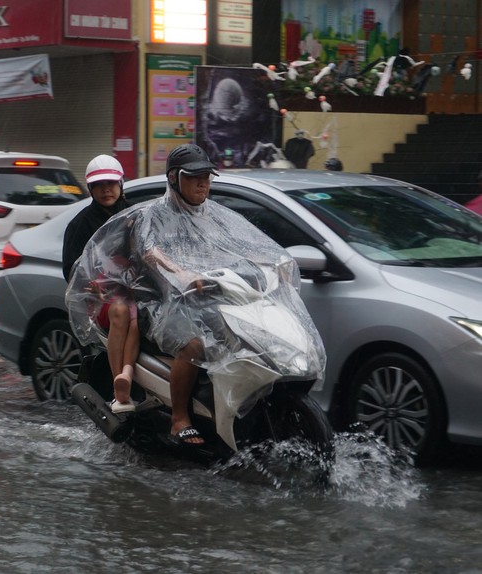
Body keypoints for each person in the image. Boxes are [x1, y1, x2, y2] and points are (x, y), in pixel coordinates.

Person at [66, 143, 324, 447]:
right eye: (195, 176)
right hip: (163, 301)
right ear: (175, 178)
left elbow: (243, 247)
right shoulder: (154, 216)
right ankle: (180, 418)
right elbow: (151, 252)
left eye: (207, 176)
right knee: (195, 346)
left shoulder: (214, 216)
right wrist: (181, 273)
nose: (204, 183)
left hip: (209, 300)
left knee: (245, 336)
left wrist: (272, 265)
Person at [62, 154, 138, 412]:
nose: (106, 190)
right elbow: (72, 271)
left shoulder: (135, 216)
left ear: (121, 184)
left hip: (137, 291)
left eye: (111, 184)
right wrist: (91, 285)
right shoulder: (80, 224)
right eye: (99, 185)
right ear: (90, 188)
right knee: (120, 311)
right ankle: (120, 388)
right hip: (102, 300)